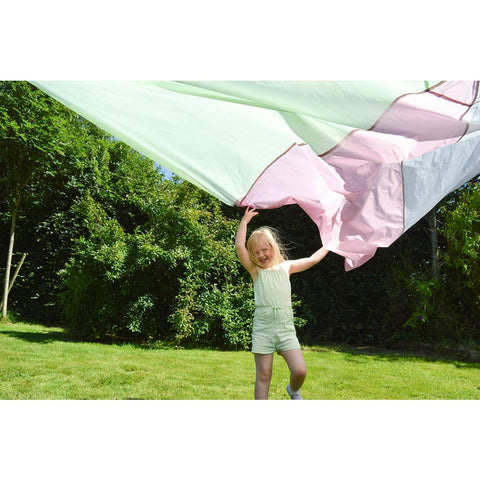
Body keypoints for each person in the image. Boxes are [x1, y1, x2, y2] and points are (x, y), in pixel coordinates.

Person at [235, 207, 329, 400]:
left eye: (264, 249)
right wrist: (244, 222)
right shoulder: (255, 271)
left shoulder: (286, 267)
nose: (261, 255)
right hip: (263, 328)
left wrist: (330, 244)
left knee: (300, 371)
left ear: (272, 248)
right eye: (256, 252)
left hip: (285, 328)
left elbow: (312, 259)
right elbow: (239, 248)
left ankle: (293, 390)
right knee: (264, 375)